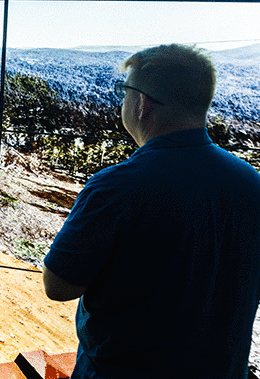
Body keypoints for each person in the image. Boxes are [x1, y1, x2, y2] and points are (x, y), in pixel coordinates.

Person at [43, 44, 260, 378]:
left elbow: (58, 287)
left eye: (124, 92)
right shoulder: (252, 184)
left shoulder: (118, 187)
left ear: (142, 104)